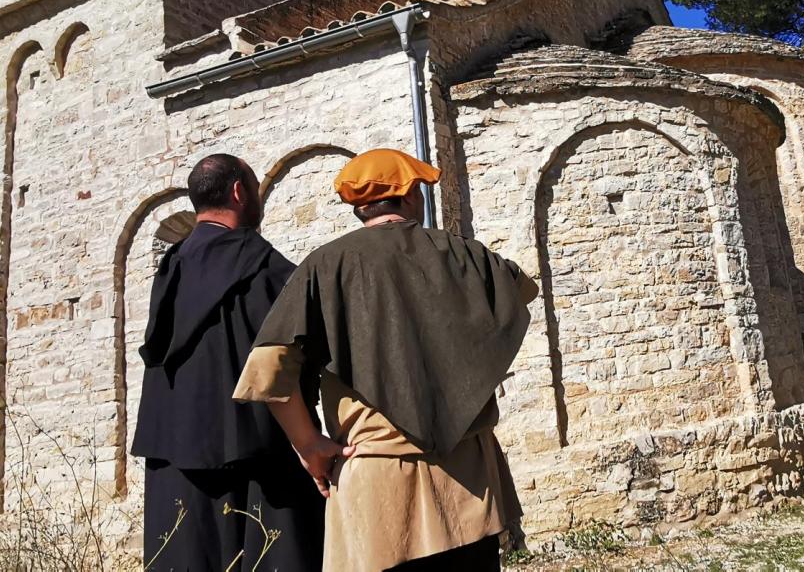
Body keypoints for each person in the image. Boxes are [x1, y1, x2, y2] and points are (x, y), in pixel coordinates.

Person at [233, 148, 538, 572]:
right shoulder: (466, 253)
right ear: (412, 195)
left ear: (359, 206)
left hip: (375, 482)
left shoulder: (325, 265)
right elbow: (521, 290)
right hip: (468, 480)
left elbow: (268, 372)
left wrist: (309, 445)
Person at [132, 154, 324, 570]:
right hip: (263, 463)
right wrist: (309, 442)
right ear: (240, 192)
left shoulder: (170, 269)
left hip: (175, 459)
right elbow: (286, 361)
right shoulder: (268, 268)